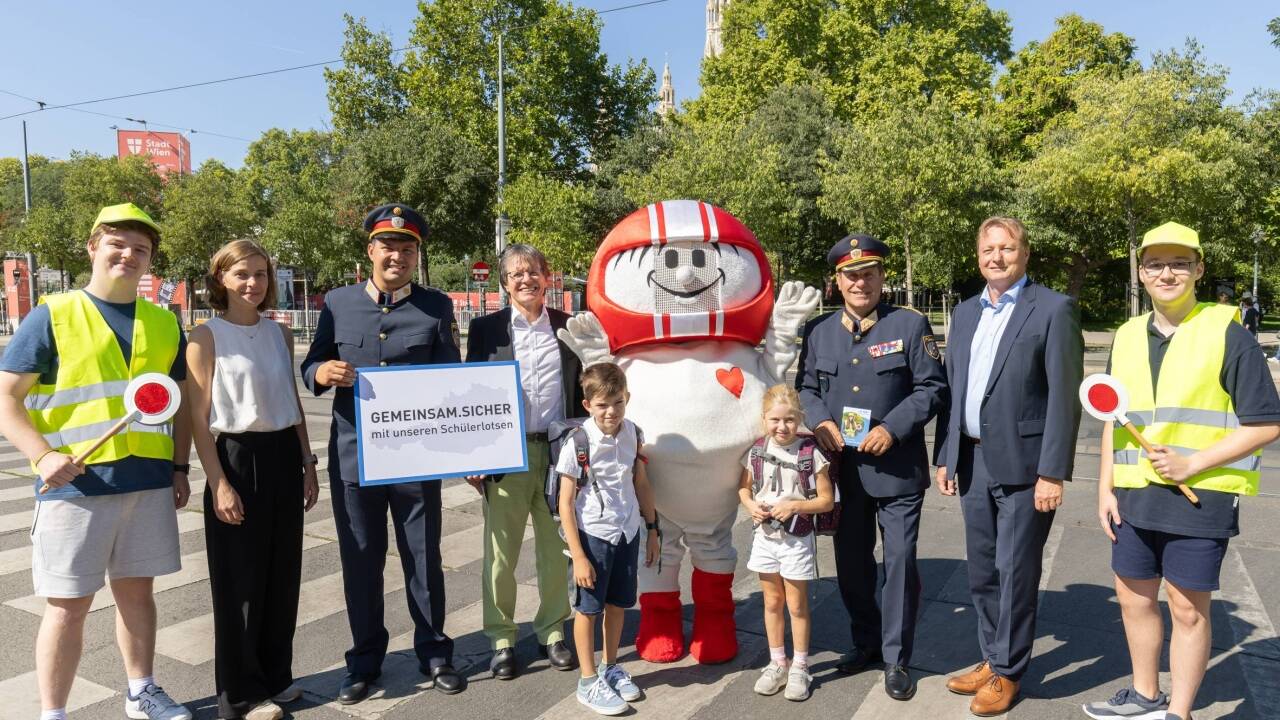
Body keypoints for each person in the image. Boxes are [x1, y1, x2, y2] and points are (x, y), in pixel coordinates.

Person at [0, 203, 194, 720]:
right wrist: (42, 456)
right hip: (75, 486)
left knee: (138, 595)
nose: (128, 255)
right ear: (93, 247)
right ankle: (53, 713)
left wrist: (179, 468)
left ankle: (141, 691)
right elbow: (6, 399)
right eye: (117, 244)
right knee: (67, 607)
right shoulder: (53, 315)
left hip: (147, 481)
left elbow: (178, 404)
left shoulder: (164, 322)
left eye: (140, 249)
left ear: (150, 259)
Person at [1083, 222, 1280, 720]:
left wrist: (1192, 462)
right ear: (1141, 273)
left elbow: (1266, 424)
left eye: (1179, 263)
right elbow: (1115, 419)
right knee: (1134, 601)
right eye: (1155, 264)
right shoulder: (1128, 335)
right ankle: (1144, 695)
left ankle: (1181, 712)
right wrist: (1105, 487)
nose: (1166, 273)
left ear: (1198, 269)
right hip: (1133, 495)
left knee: (1188, 609)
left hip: (1199, 496)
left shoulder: (1228, 334)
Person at [300, 203, 464, 703]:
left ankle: (435, 652)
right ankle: (364, 661)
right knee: (361, 562)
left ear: (417, 255)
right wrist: (321, 372)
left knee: (423, 558)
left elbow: (452, 382)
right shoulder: (339, 303)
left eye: (407, 248)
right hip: (356, 459)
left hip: (416, 459)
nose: (398, 256)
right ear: (370, 250)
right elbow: (311, 364)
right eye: (389, 246)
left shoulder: (436, 307)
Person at [934, 216, 1083, 716]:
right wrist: (947, 454)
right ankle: (992, 657)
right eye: (988, 249)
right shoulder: (964, 313)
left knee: (1015, 573)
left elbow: (1064, 398)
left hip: (1026, 467)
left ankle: (1009, 672)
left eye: (1006, 248)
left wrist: (1052, 472)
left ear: (1025, 253)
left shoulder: (1054, 309)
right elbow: (955, 390)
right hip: (972, 461)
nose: (996, 257)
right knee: (982, 572)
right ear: (978, 255)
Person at [795, 234, 947, 701]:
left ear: (882, 277)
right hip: (843, 472)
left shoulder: (909, 324)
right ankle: (866, 642)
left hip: (896, 468)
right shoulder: (819, 331)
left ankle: (896, 658)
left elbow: (932, 388)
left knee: (898, 564)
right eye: (851, 276)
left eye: (869, 274)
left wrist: (893, 428)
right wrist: (820, 421)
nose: (860, 283)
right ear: (837, 281)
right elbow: (806, 387)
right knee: (851, 564)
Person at [187, 240, 320, 720]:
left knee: (282, 575)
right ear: (220, 278)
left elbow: (292, 400)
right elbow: (198, 418)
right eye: (242, 274)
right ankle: (240, 694)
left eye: (261, 274)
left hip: (283, 454)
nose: (253, 283)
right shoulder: (205, 337)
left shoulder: (279, 333)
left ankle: (275, 676)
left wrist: (307, 461)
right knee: (239, 580)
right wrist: (218, 482)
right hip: (237, 457)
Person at [464, 244, 584, 678]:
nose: (526, 280)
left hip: (558, 453)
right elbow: (470, 393)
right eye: (516, 274)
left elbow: (585, 388)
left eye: (533, 271)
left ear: (547, 277)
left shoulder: (569, 328)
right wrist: (473, 454)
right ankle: (501, 639)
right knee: (501, 553)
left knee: (556, 549)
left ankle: (552, 631)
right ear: (504, 283)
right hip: (505, 455)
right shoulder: (486, 330)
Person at [556, 363, 659, 716]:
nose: (611, 412)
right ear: (588, 405)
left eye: (617, 402)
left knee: (618, 604)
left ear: (627, 398)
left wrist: (652, 529)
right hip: (593, 536)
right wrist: (579, 556)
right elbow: (565, 504)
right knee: (588, 609)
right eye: (602, 405)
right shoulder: (578, 442)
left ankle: (609, 666)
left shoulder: (633, 432)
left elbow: (640, 482)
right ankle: (587, 681)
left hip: (626, 531)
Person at [739, 385, 835, 703]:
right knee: (771, 602)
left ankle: (801, 666)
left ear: (800, 418)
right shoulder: (756, 451)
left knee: (796, 604)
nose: (782, 427)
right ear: (764, 419)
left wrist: (795, 506)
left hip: (796, 539)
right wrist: (750, 505)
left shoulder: (810, 454)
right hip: (765, 537)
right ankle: (778, 662)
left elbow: (826, 501)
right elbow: (744, 489)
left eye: (790, 420)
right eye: (775, 420)